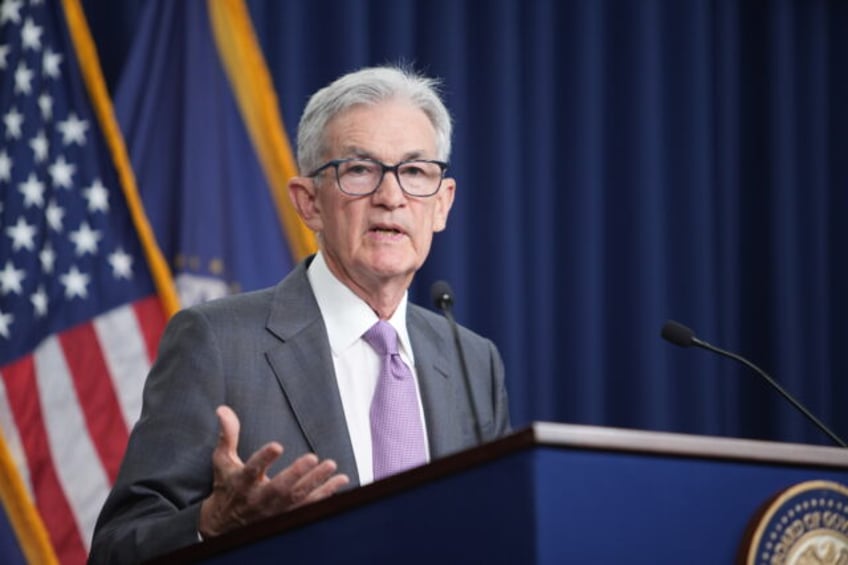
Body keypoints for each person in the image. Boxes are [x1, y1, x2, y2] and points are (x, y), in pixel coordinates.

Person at [89, 65, 511, 563]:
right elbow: (117, 548)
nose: (391, 197)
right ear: (308, 202)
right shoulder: (217, 343)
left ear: (442, 204)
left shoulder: (472, 361)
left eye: (415, 172)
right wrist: (213, 524)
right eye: (359, 170)